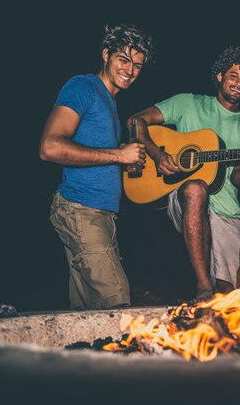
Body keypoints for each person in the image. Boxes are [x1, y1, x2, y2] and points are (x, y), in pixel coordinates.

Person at [128, 46, 240, 300]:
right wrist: (156, 154)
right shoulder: (188, 103)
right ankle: (203, 285)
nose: (239, 84)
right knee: (195, 188)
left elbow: (238, 175)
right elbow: (136, 121)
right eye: (234, 76)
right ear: (219, 76)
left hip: (226, 209)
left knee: (228, 294)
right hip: (182, 196)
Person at [39, 23, 154, 310]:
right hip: (81, 209)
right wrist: (118, 155)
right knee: (117, 305)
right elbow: (50, 146)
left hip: (101, 216)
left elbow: (97, 155)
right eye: (123, 59)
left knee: (86, 317)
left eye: (137, 65)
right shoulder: (83, 86)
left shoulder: (110, 102)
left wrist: (124, 161)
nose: (130, 70)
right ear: (106, 54)